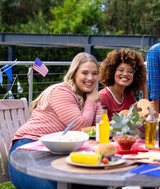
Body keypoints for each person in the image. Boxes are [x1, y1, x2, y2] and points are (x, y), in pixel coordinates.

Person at [9, 52, 103, 189]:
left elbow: (98, 128)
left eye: (94, 73)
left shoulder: (90, 96)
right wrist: (91, 101)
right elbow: (80, 126)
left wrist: (95, 100)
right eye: (84, 73)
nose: (90, 78)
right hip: (28, 147)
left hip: (56, 152)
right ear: (73, 73)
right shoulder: (62, 91)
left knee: (97, 184)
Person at [99, 48, 147, 120]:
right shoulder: (103, 97)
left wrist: (144, 87)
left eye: (130, 71)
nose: (125, 74)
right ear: (112, 72)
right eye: (121, 70)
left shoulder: (127, 94)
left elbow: (142, 116)